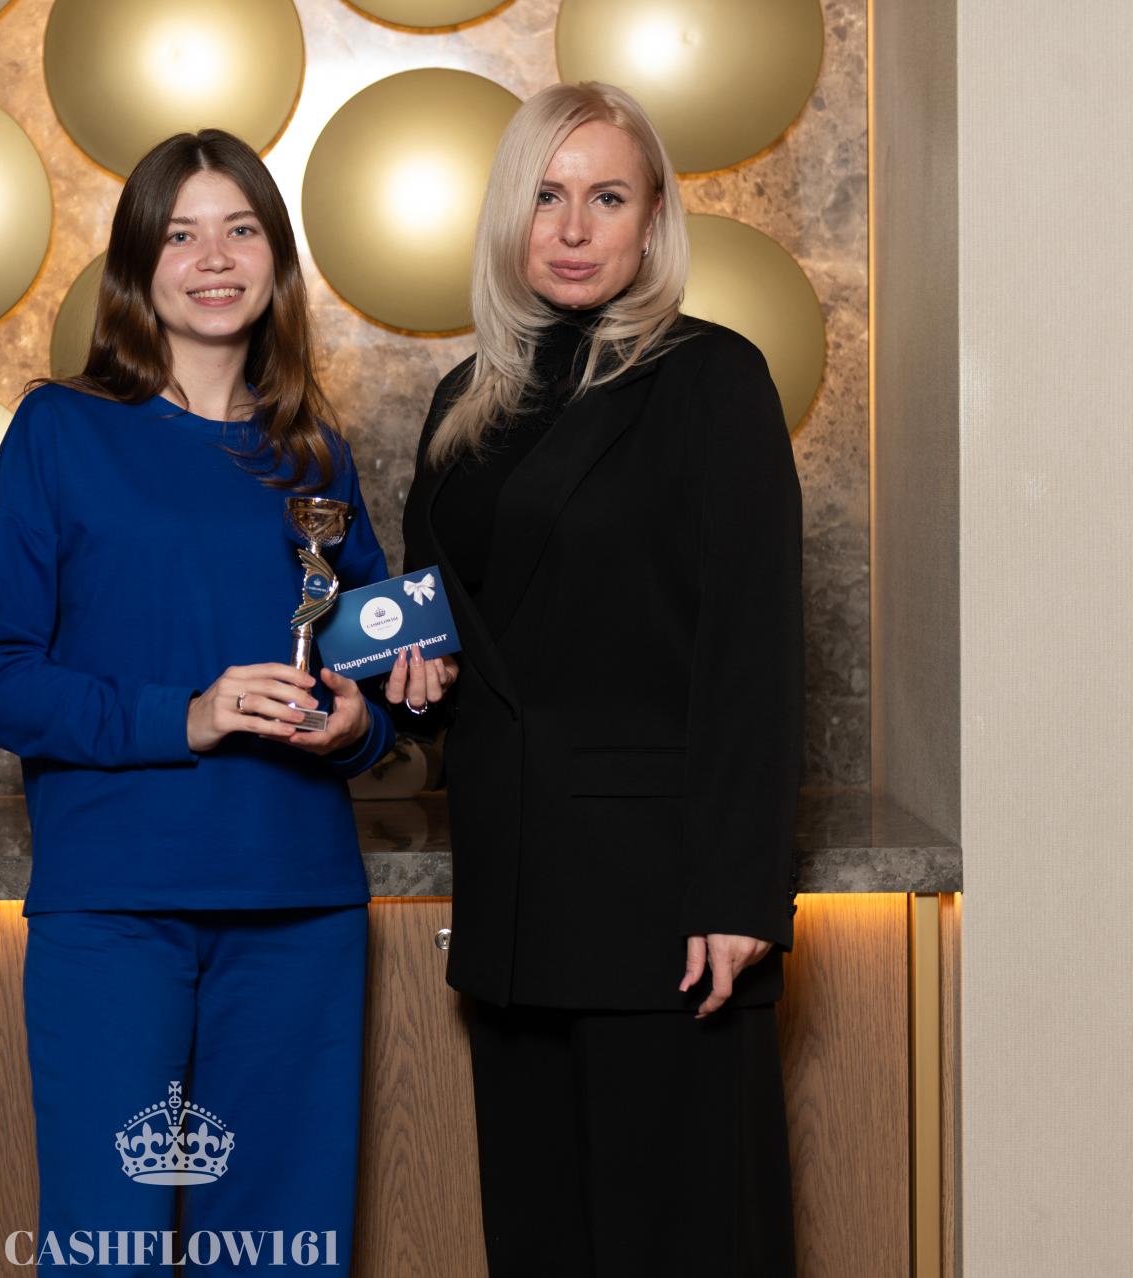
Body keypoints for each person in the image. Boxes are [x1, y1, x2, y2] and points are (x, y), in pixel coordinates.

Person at [0, 129, 393, 1275]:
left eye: (240, 229)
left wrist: (358, 729)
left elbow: (376, 671)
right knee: (109, 1250)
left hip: (299, 905)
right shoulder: (59, 431)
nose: (214, 257)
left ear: (276, 259)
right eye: (182, 233)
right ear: (139, 264)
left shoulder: (317, 459)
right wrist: (182, 716)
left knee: (286, 1256)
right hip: (115, 909)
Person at [386, 82, 803, 1276]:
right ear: (509, 218)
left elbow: (754, 648)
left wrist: (739, 893)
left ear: (653, 218)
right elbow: (456, 630)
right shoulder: (465, 399)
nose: (573, 229)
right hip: (513, 897)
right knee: (542, 1241)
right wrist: (419, 681)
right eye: (547, 196)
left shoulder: (712, 377)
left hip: (662, 904)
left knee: (680, 1243)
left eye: (607, 197)